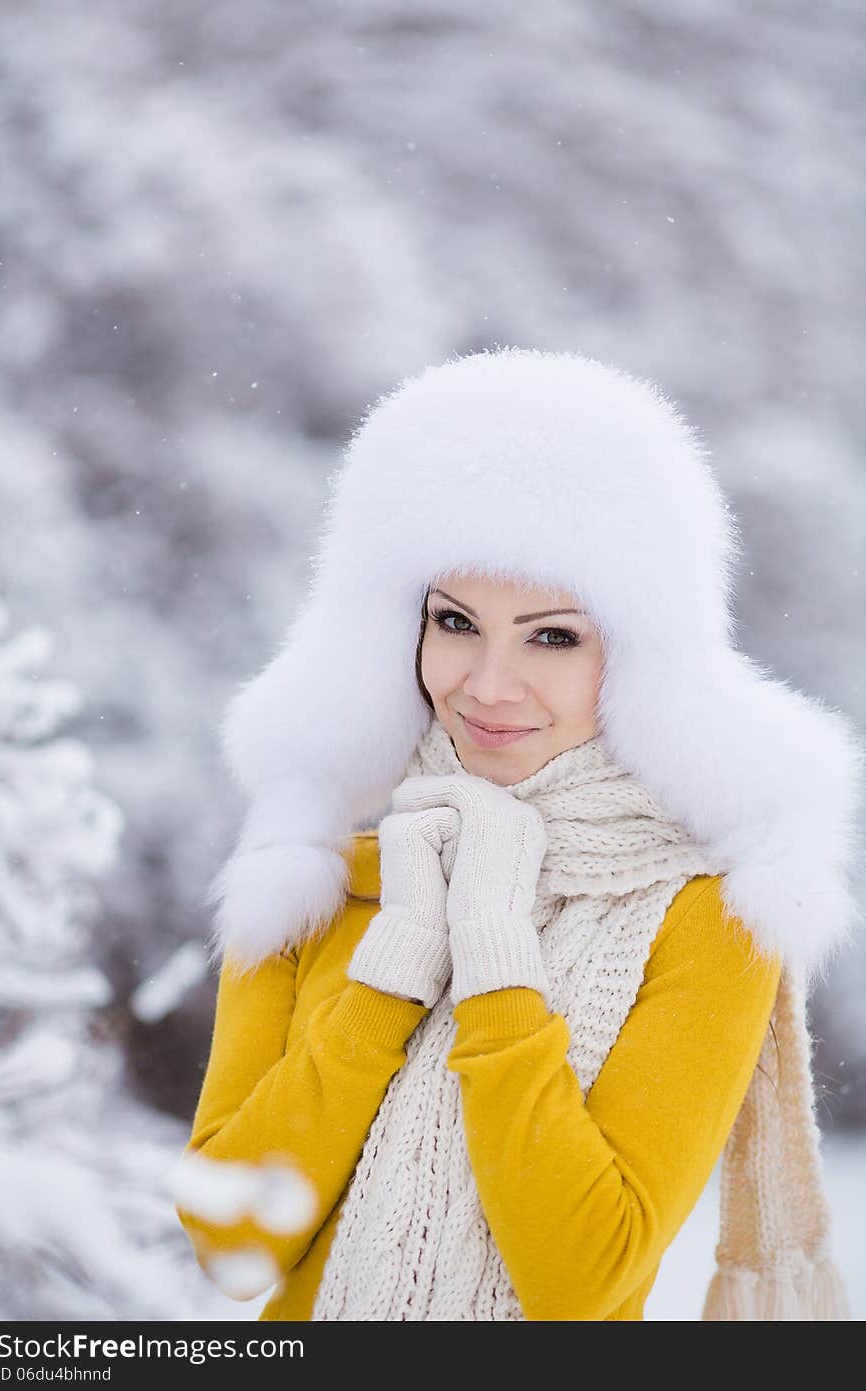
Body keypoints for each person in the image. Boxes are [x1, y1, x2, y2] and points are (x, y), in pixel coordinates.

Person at [174, 347, 862, 1320]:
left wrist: (494, 959)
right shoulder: (320, 876)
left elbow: (580, 1281)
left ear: (635, 652)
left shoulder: (704, 920)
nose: (488, 684)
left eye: (551, 635)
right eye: (455, 621)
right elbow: (231, 1245)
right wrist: (392, 966)